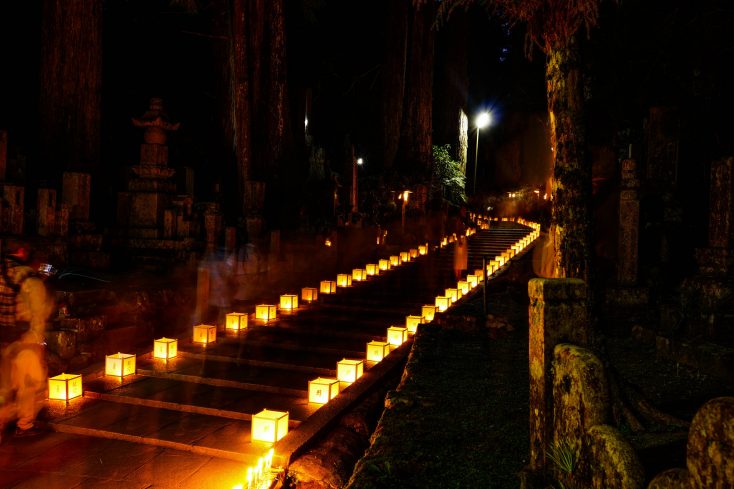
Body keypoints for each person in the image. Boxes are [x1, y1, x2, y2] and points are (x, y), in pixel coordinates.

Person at [0, 239, 53, 443]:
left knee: (4, 385)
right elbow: (39, 315)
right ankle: (25, 424)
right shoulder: (30, 279)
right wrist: (40, 344)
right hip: (25, 341)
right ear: (22, 251)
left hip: (2, 338)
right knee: (30, 383)